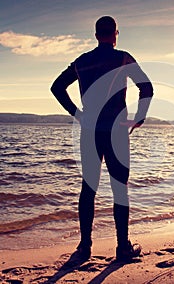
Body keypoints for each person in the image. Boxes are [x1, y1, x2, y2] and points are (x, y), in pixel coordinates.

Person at [50, 16, 153, 261]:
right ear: (116, 34)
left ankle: (84, 247)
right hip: (117, 131)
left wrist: (77, 114)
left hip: (90, 132)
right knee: (120, 188)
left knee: (88, 188)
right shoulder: (123, 58)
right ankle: (122, 248)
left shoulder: (82, 61)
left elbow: (56, 87)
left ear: (96, 35)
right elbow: (146, 87)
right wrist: (139, 117)